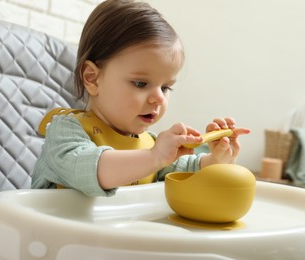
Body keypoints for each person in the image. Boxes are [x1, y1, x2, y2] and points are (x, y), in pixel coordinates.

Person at [31, 0, 250, 197]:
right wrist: (154, 157)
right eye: (141, 84)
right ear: (93, 79)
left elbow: (184, 171)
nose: (158, 98)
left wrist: (216, 160)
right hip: (55, 240)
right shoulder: (66, 132)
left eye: (165, 87)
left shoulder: (149, 144)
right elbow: (87, 168)